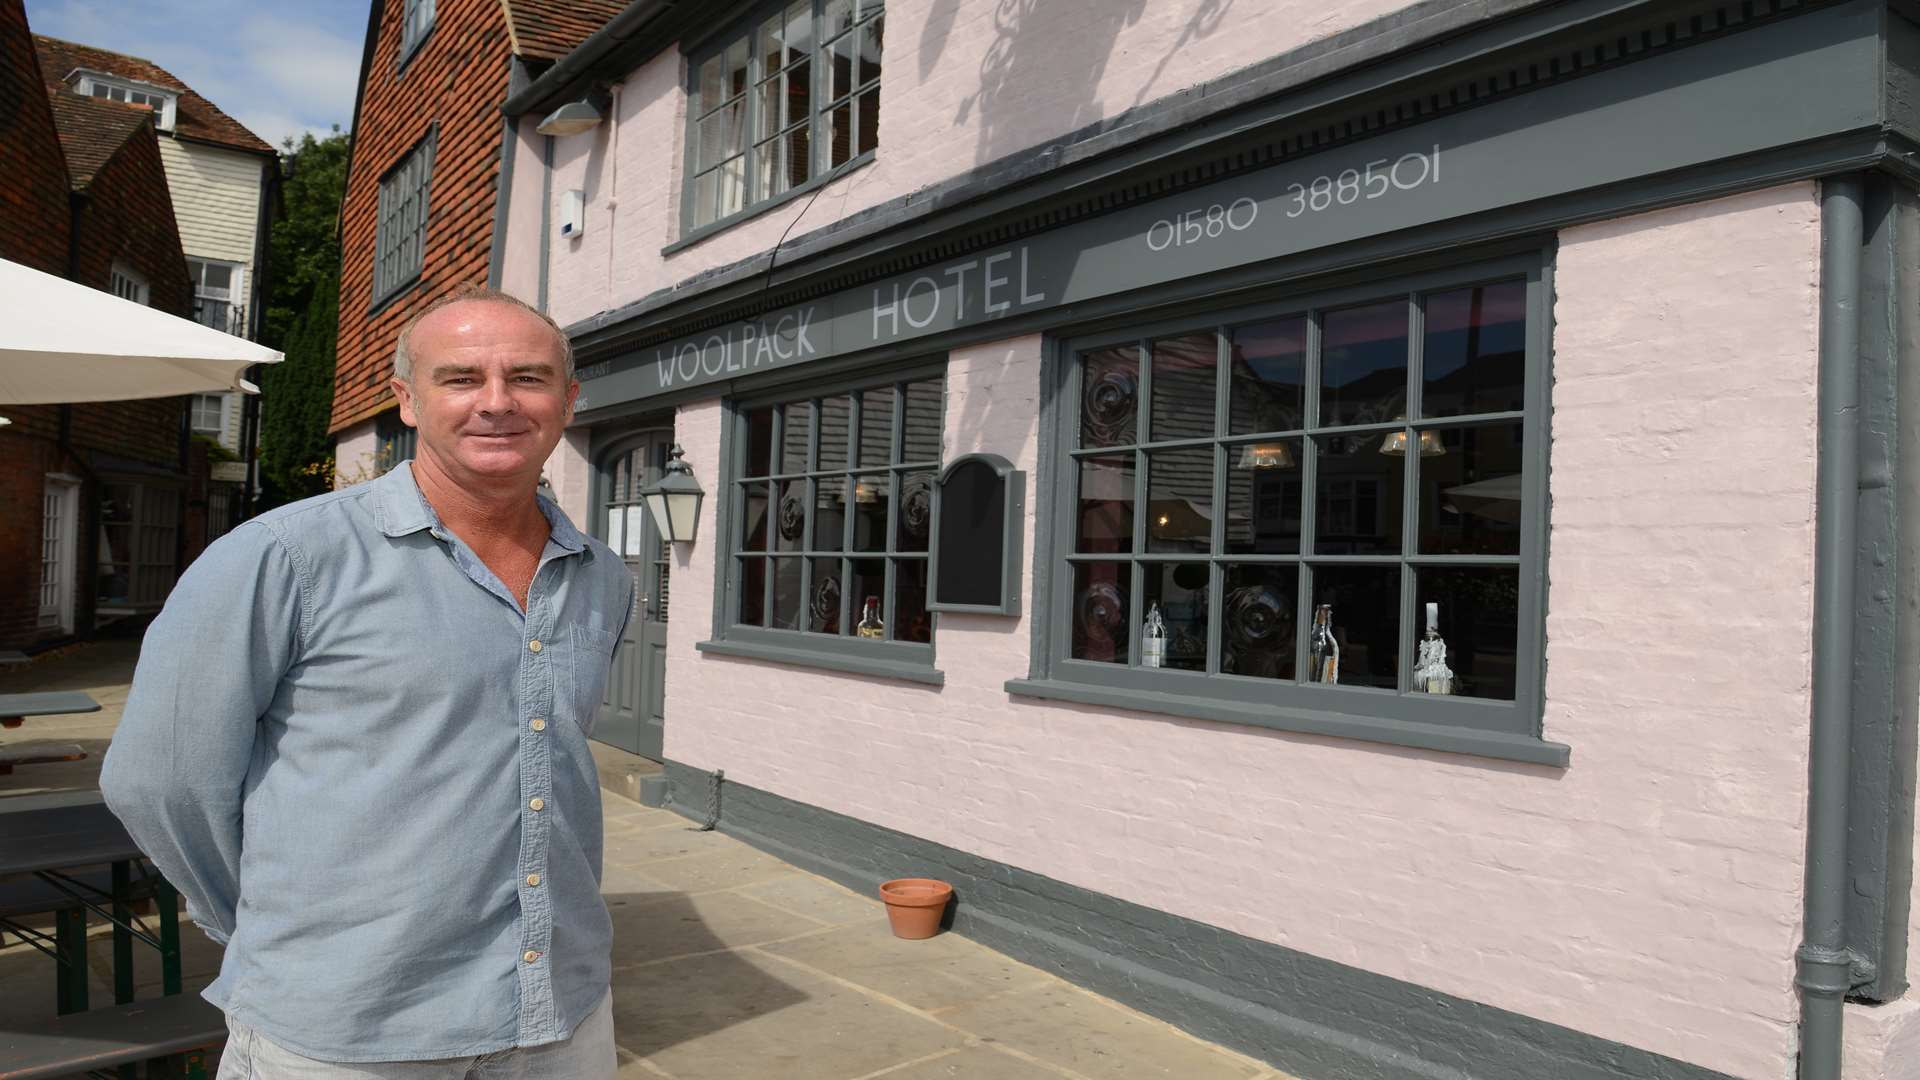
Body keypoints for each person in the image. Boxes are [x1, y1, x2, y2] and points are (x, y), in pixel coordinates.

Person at [102, 288, 632, 1077]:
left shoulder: (602, 578)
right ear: (407, 401)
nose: (496, 402)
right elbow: (163, 784)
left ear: (567, 399)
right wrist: (277, 926)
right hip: (346, 1029)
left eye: (528, 377)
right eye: (460, 378)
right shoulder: (284, 558)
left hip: (559, 1014)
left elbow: (545, 761)